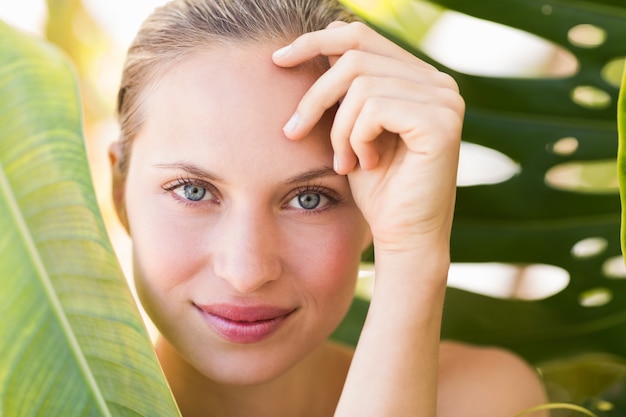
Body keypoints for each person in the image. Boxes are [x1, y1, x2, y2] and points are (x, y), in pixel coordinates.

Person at [108, 0, 547, 416]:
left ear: (373, 208)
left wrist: (412, 252)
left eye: (309, 199)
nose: (247, 271)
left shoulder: (472, 398)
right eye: (193, 191)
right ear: (118, 190)